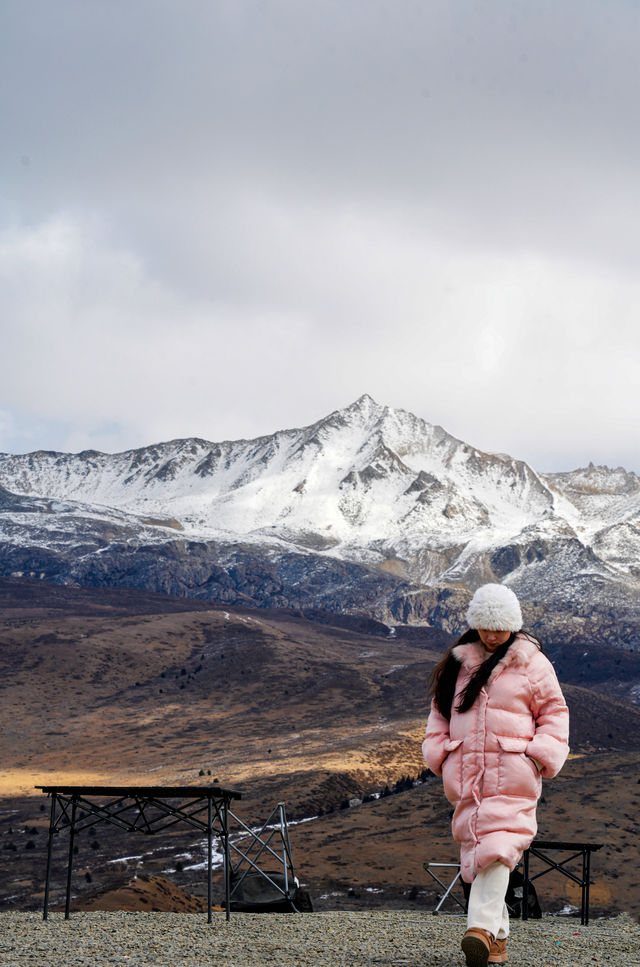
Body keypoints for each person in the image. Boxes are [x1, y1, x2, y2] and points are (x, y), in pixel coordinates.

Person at [422, 584, 569, 967]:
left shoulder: (531, 662)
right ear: (475, 624)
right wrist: (440, 752)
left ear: (513, 626)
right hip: (467, 774)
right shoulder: (458, 663)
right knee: (475, 850)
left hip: (513, 773)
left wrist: (538, 756)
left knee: (500, 848)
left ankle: (481, 928)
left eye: (500, 627)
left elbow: (554, 712)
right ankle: (498, 942)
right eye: (486, 626)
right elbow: (439, 713)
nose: (492, 635)